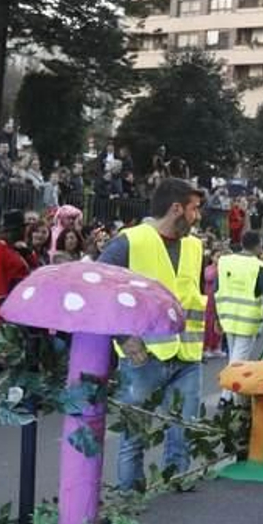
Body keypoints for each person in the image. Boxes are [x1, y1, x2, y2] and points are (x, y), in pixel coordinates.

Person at [97, 178, 207, 491]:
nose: (197, 217)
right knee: (135, 433)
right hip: (143, 356)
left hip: (187, 356)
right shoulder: (129, 242)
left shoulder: (195, 246)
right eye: (194, 209)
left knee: (184, 427)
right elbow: (100, 290)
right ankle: (129, 493)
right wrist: (122, 337)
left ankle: (176, 483)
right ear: (176, 209)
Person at [216, 230, 263, 367]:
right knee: (238, 364)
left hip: (227, 317)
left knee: (234, 358)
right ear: (258, 246)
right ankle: (229, 389)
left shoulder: (224, 261)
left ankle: (230, 387)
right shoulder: (260, 267)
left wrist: (216, 317)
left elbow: (216, 290)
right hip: (248, 322)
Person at [0, 210, 33, 330]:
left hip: (22, 300)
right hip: (8, 301)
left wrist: (28, 253)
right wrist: (1, 308)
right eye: (23, 228)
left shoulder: (15, 247)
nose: (25, 231)